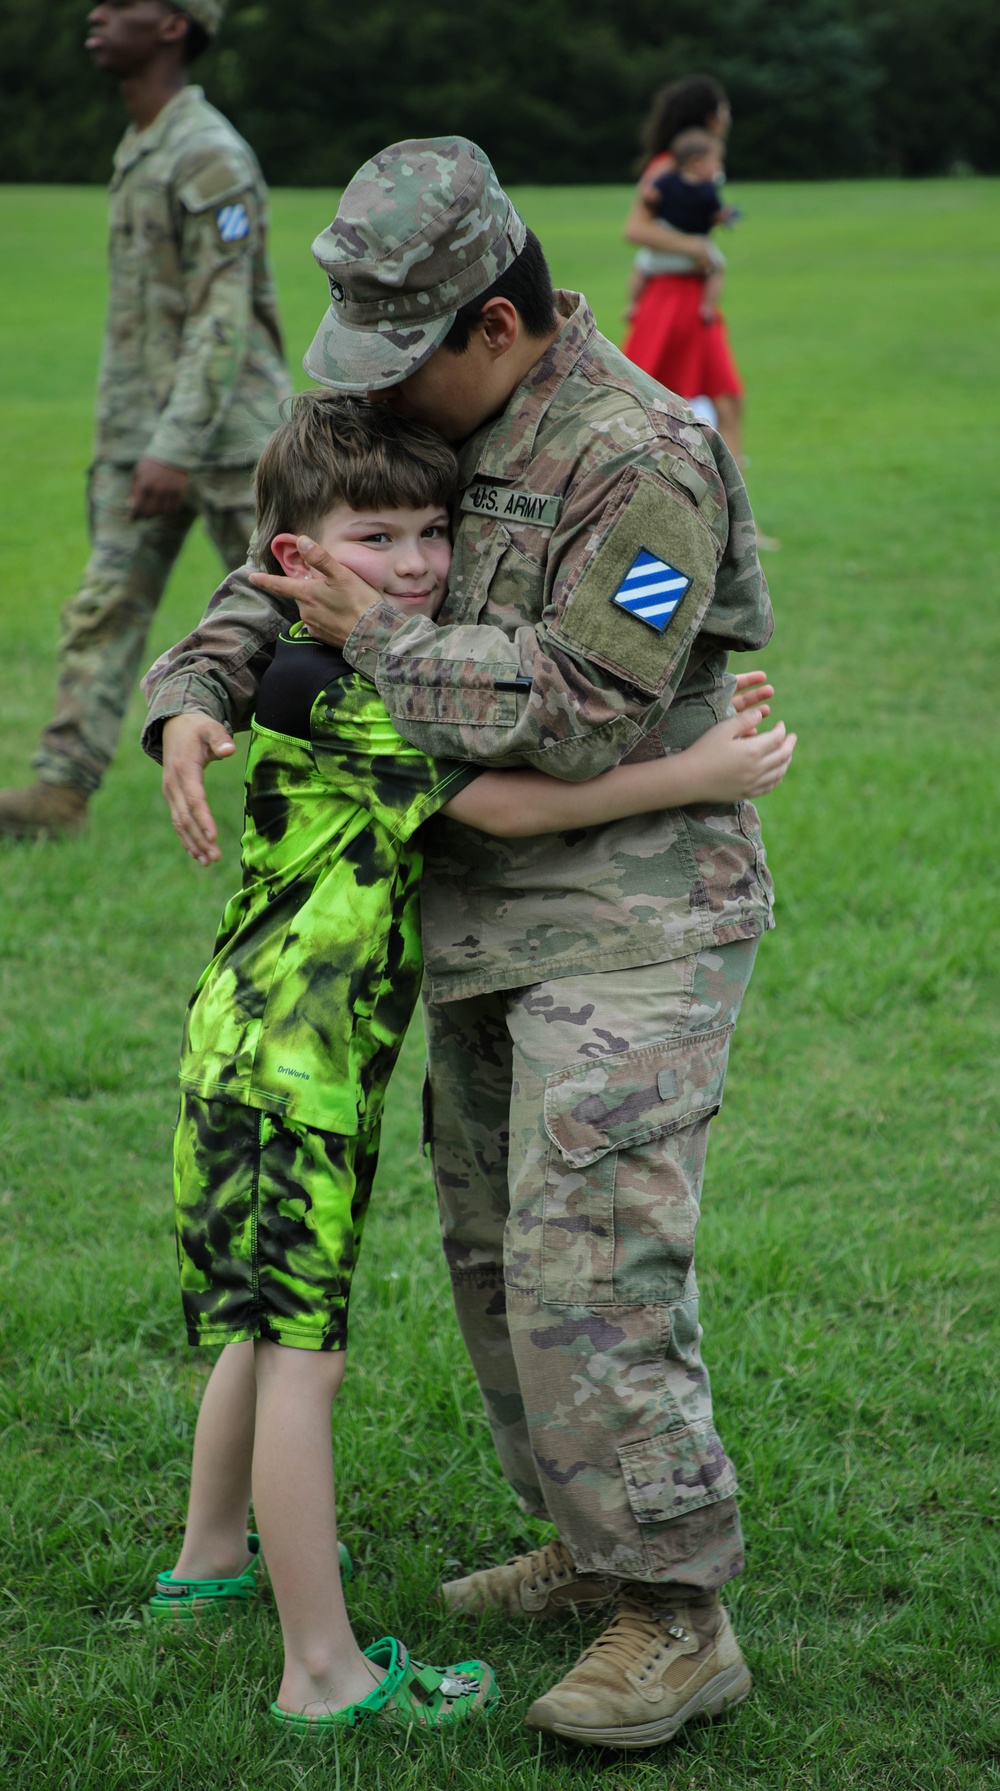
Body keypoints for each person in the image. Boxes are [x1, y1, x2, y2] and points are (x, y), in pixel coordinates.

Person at [143, 136, 783, 1752]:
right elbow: (285, 561)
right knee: (498, 1251)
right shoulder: (417, 417)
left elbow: (581, 709)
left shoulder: (643, 454)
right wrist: (197, 689)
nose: (375, 389)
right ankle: (590, 1541)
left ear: (490, 326)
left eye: (399, 354)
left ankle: (675, 1610)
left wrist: (392, 642)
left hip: (633, 914)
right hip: (480, 922)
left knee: (594, 1263)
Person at [0, 0, 290, 839]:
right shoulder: (144, 144)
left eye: (121, 6)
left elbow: (222, 312)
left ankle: (373, 764)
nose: (95, 15)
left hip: (225, 436)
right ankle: (60, 790)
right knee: (105, 606)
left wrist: (173, 443)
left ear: (173, 25)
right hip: (145, 439)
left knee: (293, 603)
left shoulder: (207, 153)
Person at [622, 76, 747, 466]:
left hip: (690, 294)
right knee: (719, 399)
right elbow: (635, 229)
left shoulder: (699, 161)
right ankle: (737, 523)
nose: (729, 117)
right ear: (711, 117)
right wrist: (695, 246)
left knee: (721, 400)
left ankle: (734, 522)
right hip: (672, 296)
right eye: (724, 109)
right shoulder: (669, 166)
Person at [626, 129, 739, 326]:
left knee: (641, 267)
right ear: (697, 162)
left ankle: (633, 305)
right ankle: (707, 306)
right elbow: (714, 215)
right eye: (716, 161)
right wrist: (725, 217)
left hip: (665, 240)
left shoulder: (669, 179)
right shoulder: (708, 190)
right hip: (696, 246)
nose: (719, 167)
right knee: (717, 268)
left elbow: (652, 193)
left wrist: (649, 196)